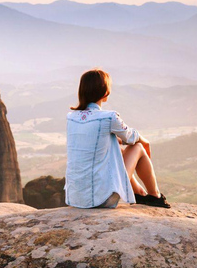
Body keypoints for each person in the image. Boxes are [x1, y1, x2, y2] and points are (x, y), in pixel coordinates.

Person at [65, 68, 170, 209]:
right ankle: (154, 195)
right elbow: (132, 137)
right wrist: (145, 142)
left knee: (116, 146)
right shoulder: (109, 117)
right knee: (137, 147)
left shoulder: (71, 117)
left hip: (76, 198)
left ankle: (139, 192)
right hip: (102, 199)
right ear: (105, 92)